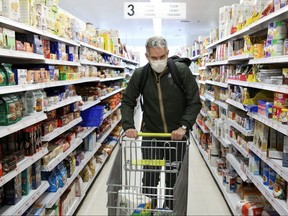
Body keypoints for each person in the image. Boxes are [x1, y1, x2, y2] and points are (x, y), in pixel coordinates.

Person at [121, 36, 202, 211]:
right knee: (149, 180)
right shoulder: (140, 74)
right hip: (151, 136)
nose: (158, 61)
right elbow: (128, 101)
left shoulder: (181, 71)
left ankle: (170, 211)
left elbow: (194, 102)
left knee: (174, 182)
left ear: (168, 53)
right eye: (154, 58)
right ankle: (149, 212)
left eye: (162, 57)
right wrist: (128, 125)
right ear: (147, 56)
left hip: (177, 138)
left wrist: (184, 126)